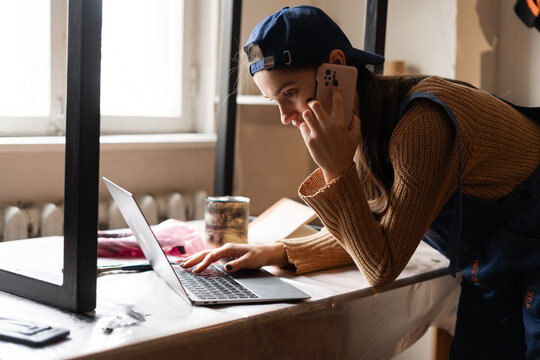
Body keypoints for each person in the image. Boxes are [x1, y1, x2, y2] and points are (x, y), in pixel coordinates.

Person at [180, 5, 540, 359]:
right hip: (500, 264)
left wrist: (337, 170)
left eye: (289, 93)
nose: (285, 117)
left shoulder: (421, 126)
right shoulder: (367, 122)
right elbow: (374, 230)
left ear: (335, 66)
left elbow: (381, 267)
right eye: (275, 100)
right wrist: (277, 252)